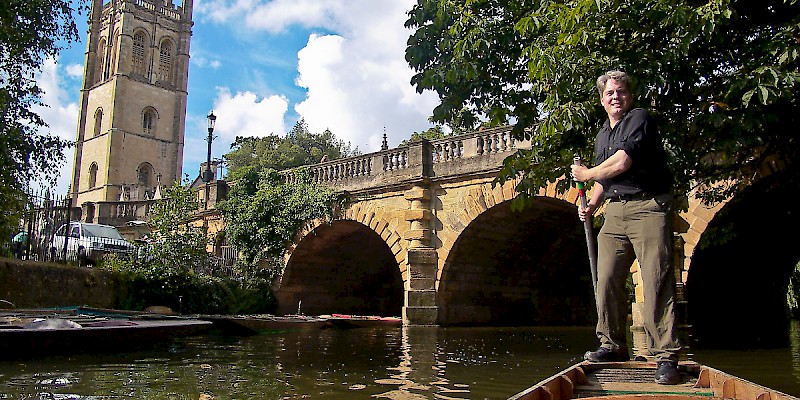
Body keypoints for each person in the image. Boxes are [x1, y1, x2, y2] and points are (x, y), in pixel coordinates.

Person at [571, 70, 681, 385]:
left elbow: (621, 163)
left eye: (620, 92)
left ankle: (666, 355)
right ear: (602, 99)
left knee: (655, 278)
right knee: (604, 278)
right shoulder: (602, 134)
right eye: (609, 93)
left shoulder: (639, 120)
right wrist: (592, 204)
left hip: (648, 206)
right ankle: (612, 344)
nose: (615, 97)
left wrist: (586, 173)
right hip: (615, 212)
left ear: (628, 95)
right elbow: (606, 179)